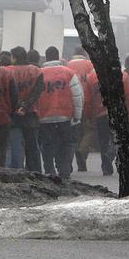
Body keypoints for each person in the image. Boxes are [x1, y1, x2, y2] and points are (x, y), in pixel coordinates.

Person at [38, 47, 83, 180]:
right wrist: (77, 116)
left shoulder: (39, 74)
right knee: (66, 144)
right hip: (65, 116)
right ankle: (64, 171)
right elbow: (77, 96)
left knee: (47, 145)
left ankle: (49, 171)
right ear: (58, 57)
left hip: (44, 117)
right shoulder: (68, 73)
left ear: (46, 58)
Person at [8, 47, 43, 173]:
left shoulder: (7, 71)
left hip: (13, 113)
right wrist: (26, 106)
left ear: (14, 57)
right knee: (32, 145)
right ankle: (35, 172)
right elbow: (37, 92)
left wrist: (18, 106)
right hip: (31, 113)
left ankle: (17, 171)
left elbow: (9, 93)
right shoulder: (36, 71)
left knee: (15, 145)